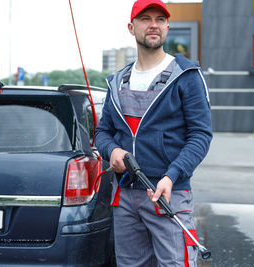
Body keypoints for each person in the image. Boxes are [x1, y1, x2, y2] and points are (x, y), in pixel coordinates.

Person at [95, 0, 212, 266]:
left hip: (168, 194)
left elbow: (201, 136)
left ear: (167, 27)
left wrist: (172, 176)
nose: (153, 25)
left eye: (160, 19)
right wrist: (112, 150)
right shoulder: (117, 82)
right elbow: (102, 132)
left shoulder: (187, 76)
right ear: (131, 27)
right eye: (146, 18)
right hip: (124, 198)